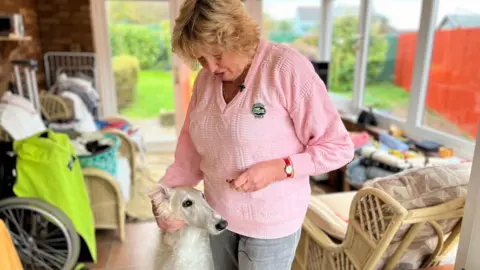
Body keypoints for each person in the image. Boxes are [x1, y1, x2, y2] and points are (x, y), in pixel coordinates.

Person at [152, 0, 354, 269]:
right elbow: (189, 152)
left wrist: (281, 168)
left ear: (237, 36)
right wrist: (162, 198)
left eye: (217, 54)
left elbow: (338, 147)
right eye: (201, 58)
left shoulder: (285, 68)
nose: (210, 67)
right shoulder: (204, 81)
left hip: (271, 225)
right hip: (218, 217)